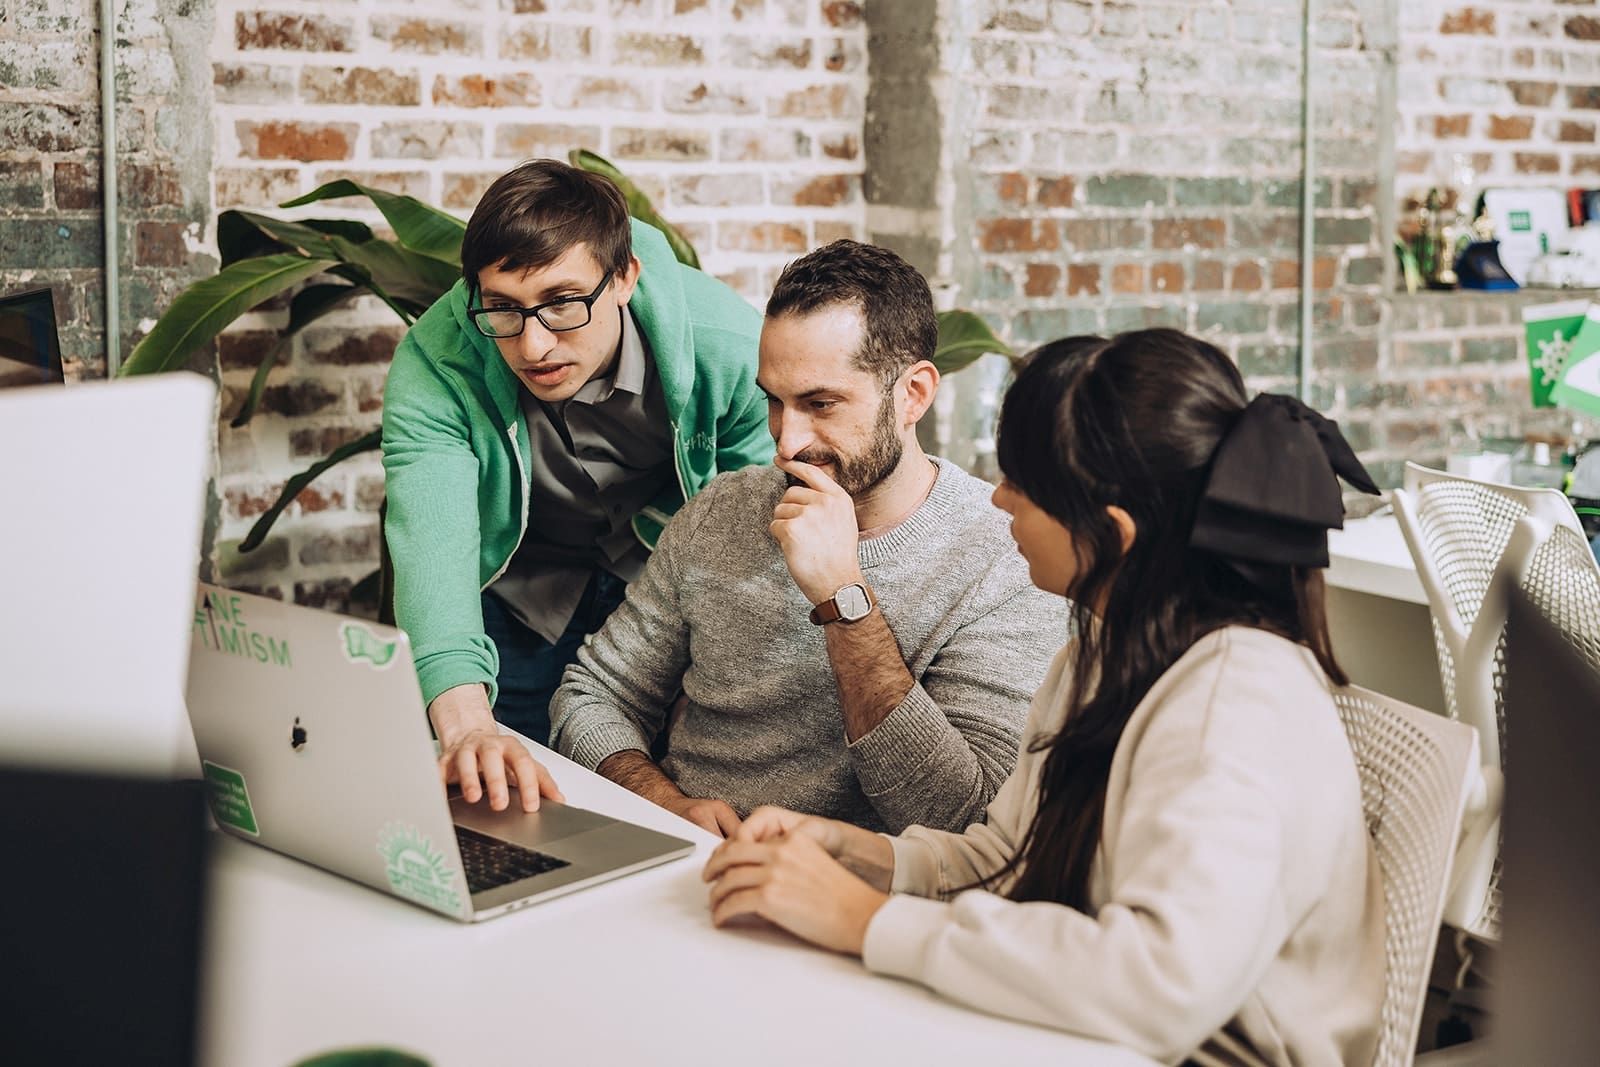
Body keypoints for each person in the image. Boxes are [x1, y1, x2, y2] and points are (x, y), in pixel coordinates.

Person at [702, 329, 1388, 1067]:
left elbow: (1159, 987)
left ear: (1110, 535)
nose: (997, 499)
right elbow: (1009, 855)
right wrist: (862, 857)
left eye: (1021, 487)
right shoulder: (1099, 651)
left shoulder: (1234, 702)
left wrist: (866, 919)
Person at [549, 240, 1067, 838]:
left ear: (913, 394)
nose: (787, 443)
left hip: (845, 897)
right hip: (683, 858)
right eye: (775, 401)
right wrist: (664, 803)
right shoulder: (724, 509)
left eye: (821, 403)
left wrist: (843, 598)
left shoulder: (1007, 558)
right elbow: (593, 693)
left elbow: (964, 819)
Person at [382, 159, 771, 812]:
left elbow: (753, 528)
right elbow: (432, 538)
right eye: (503, 308)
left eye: (562, 303)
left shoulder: (727, 347)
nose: (533, 345)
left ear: (623, 278)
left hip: (659, 594)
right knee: (506, 806)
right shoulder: (435, 362)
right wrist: (469, 725)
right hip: (519, 596)